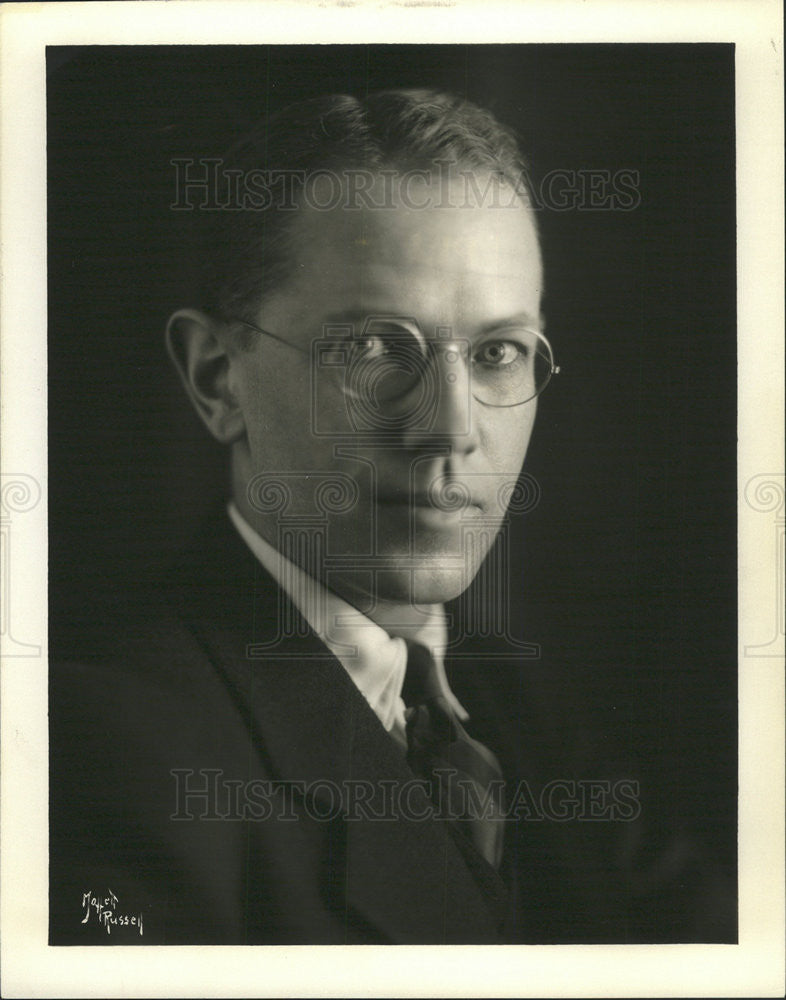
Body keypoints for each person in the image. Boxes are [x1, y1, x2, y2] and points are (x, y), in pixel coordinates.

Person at [48, 89, 732, 945]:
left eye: (496, 354)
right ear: (218, 378)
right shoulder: (106, 750)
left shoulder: (509, 702)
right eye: (374, 347)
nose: (451, 426)